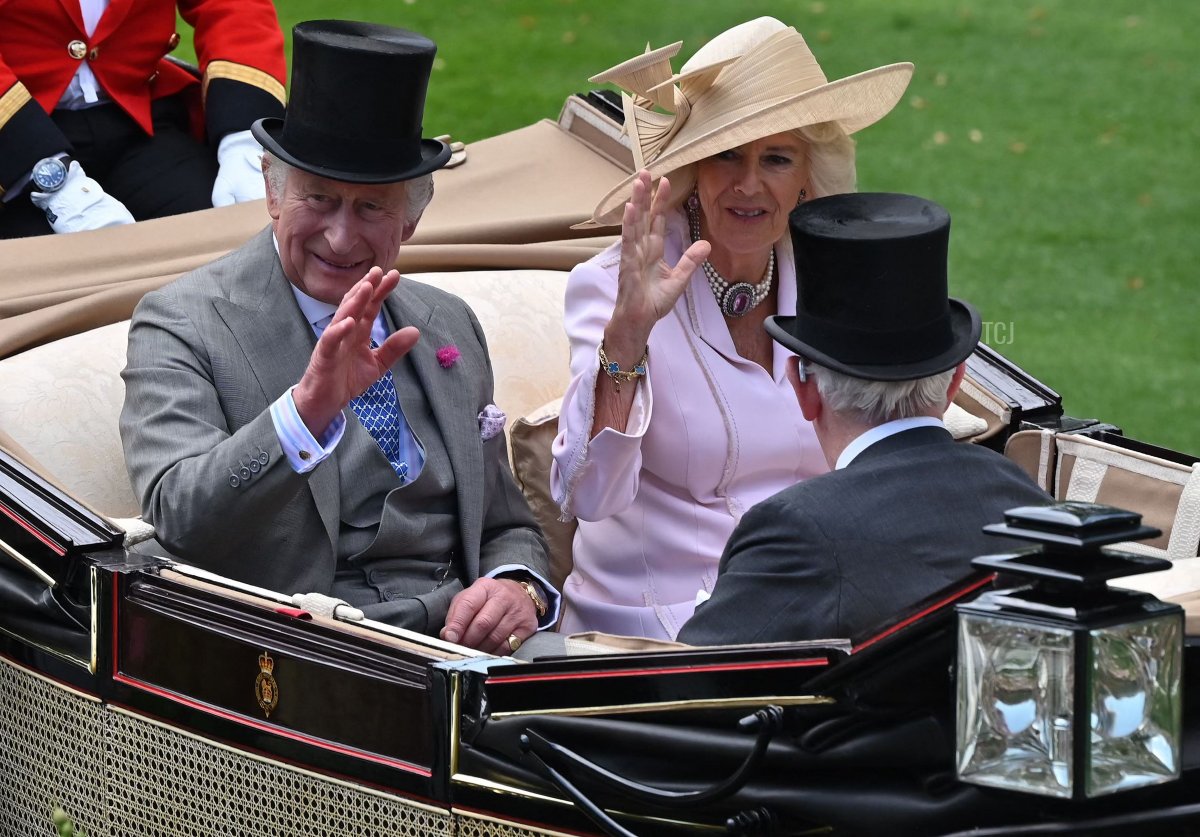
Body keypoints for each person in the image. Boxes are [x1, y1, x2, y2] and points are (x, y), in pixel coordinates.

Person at [119, 20, 556, 656]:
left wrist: (517, 586)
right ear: (272, 191)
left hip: (471, 646)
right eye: (319, 200)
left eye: (371, 208)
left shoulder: (446, 321)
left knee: (604, 721)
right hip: (309, 653)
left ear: (411, 220)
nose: (342, 238)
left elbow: (506, 526)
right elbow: (179, 519)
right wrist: (305, 415)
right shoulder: (181, 322)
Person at [550, 17, 914, 640]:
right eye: (727, 156)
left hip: (809, 614)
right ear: (693, 170)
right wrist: (628, 337)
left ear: (807, 179)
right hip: (653, 630)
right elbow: (588, 497)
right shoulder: (620, 283)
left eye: (776, 158)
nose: (749, 184)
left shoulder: (833, 284)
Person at [677, 193, 1051, 645]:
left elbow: (684, 681)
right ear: (955, 382)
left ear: (804, 387)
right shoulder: (1024, 497)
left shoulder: (796, 531)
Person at [0, 0, 286, 238]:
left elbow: (233, 8)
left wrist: (244, 140)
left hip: (138, 117)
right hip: (16, 135)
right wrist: (56, 186)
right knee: (37, 279)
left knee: (226, 237)